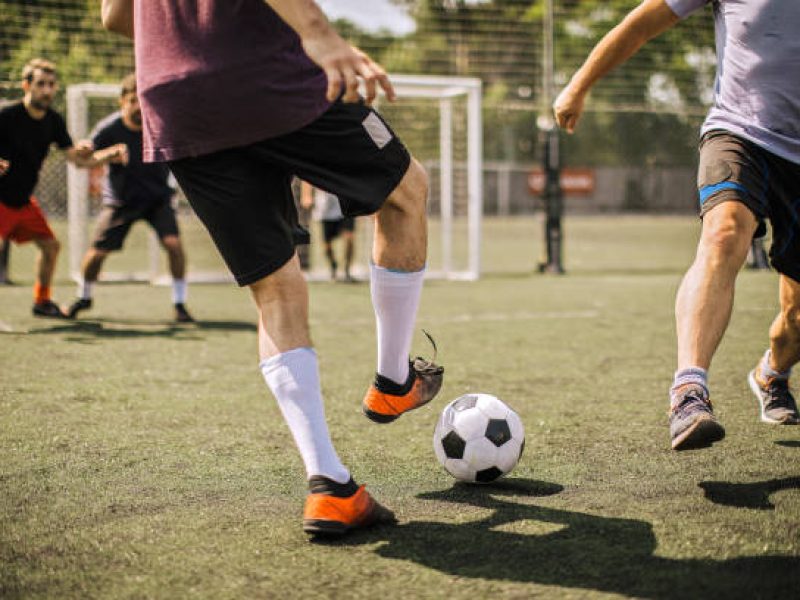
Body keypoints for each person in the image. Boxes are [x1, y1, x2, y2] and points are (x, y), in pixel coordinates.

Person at [102, 0, 444, 536]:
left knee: (274, 289)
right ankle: (393, 379)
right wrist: (319, 36)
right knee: (406, 192)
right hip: (266, 84)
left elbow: (115, 15)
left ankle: (330, 488)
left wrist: (189, 44)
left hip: (174, 101)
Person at [553, 0, 800, 451]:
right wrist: (578, 85)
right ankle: (689, 393)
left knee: (797, 317)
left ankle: (772, 374)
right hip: (741, 134)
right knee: (724, 234)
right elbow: (644, 22)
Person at [67, 74, 194, 323]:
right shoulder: (109, 128)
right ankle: (84, 296)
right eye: (133, 101)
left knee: (174, 246)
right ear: (122, 102)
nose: (139, 107)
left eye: (143, 101)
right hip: (121, 202)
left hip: (157, 198)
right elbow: (81, 161)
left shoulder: (159, 124)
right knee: (96, 254)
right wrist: (107, 155)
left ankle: (179, 303)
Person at [0, 58, 118, 317]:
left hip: (22, 201)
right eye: (41, 84)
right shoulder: (7, 116)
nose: (47, 90)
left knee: (50, 247)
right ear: (26, 86)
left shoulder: (53, 121)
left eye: (51, 84)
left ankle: (42, 302)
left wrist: (105, 155)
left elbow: (77, 159)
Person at [300, 181, 357, 282]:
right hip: (326, 208)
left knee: (349, 238)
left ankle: (347, 271)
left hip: (346, 204)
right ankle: (333, 267)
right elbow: (306, 176)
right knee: (327, 245)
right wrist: (306, 195)